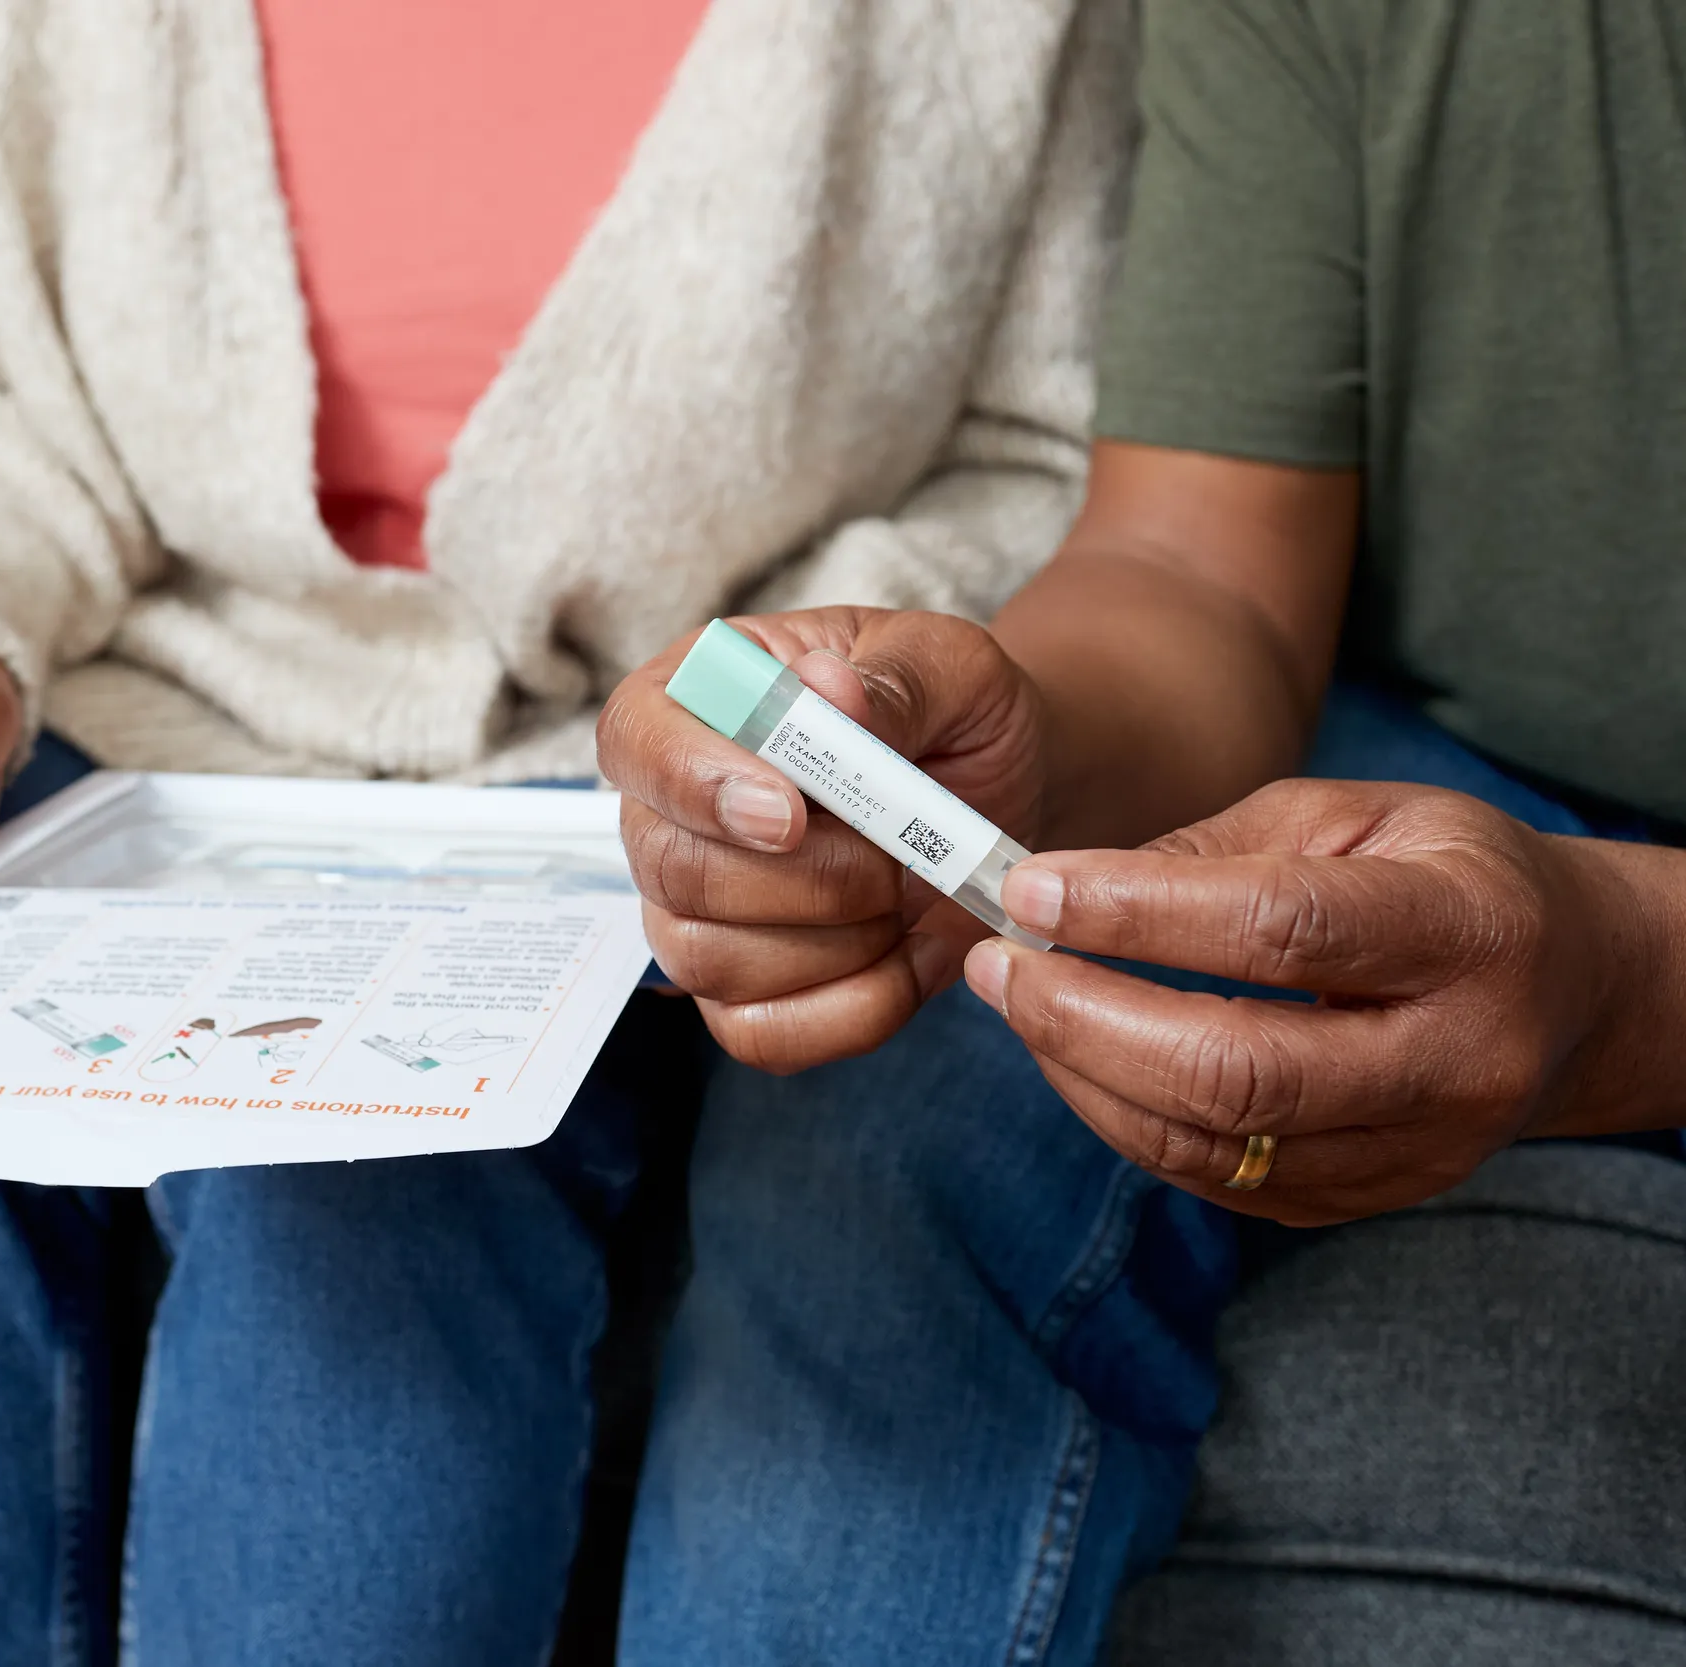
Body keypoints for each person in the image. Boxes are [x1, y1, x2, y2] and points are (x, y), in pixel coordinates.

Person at [0, 0, 1138, 1662]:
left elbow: (1051, 461)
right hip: (140, 696)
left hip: (648, 755)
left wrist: (796, 717)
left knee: (365, 1191)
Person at [597, 0, 1686, 1658]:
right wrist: (987, 746)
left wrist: (1625, 983)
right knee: (906, 1089)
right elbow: (1202, 567)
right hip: (1431, 757)